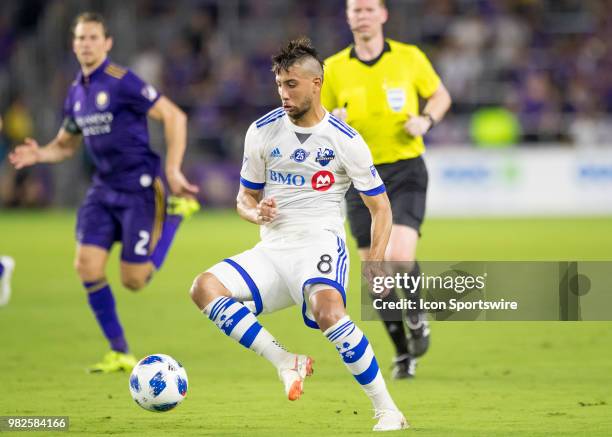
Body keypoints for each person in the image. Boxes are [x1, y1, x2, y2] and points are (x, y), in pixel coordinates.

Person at [189, 38, 408, 431]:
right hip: (272, 249)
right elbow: (244, 198)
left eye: (292, 84)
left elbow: (381, 208)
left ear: (316, 83)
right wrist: (256, 211)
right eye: (279, 85)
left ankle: (388, 409)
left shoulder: (345, 140)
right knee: (204, 287)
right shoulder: (261, 132)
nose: (283, 94)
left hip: (320, 242)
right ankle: (284, 361)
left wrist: (374, 261)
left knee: (329, 314)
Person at [9, 12, 199, 373]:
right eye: (80, 38)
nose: (86, 44)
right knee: (86, 266)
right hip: (102, 190)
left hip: (140, 189)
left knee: (134, 281)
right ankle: (120, 351)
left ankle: (173, 216)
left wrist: (172, 169)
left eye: (93, 37)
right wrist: (41, 153)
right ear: (73, 43)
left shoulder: (122, 81)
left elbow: (175, 117)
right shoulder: (76, 93)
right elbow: (65, 145)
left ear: (107, 43)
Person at [321, 0, 452, 379]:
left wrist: (426, 120)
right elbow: (312, 121)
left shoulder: (409, 58)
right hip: (359, 177)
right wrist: (331, 121)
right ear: (348, 18)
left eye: (368, 9)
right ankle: (403, 354)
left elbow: (441, 96)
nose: (361, 15)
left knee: (397, 255)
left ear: (382, 15)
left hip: (405, 169)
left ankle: (416, 315)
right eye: (355, 10)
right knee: (375, 276)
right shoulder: (333, 68)